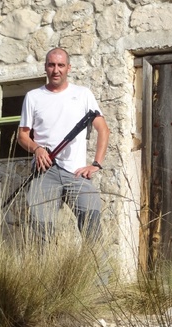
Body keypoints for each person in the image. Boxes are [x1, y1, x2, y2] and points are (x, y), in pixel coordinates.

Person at [17, 47, 110, 243]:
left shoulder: (83, 94)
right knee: (42, 234)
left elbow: (103, 129)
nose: (56, 70)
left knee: (92, 227)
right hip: (44, 173)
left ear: (69, 67)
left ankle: (102, 275)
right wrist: (37, 148)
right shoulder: (33, 97)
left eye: (60, 65)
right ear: (45, 68)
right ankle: (46, 274)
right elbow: (22, 136)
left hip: (77, 173)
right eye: (51, 65)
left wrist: (96, 164)